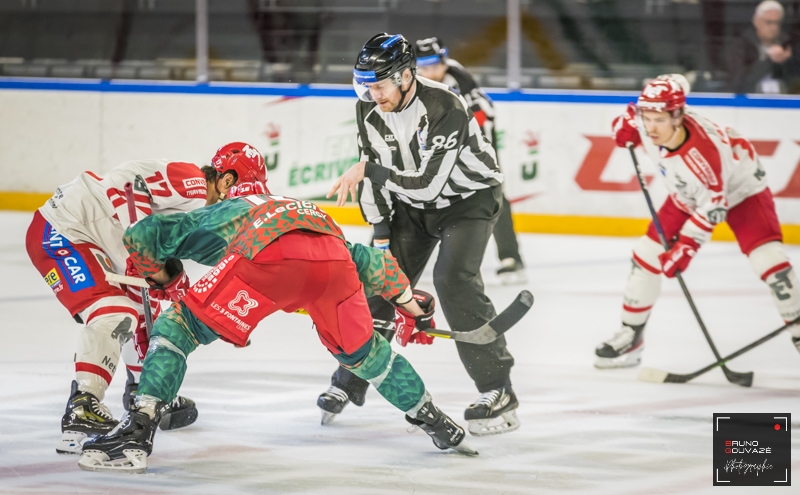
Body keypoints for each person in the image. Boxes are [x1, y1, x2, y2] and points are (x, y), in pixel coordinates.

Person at [76, 190, 476, 474]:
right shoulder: (299, 207)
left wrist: (162, 278)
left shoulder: (226, 211)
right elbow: (374, 262)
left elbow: (141, 236)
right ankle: (438, 423)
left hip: (264, 258)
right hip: (336, 263)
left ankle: (138, 429)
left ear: (230, 183)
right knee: (371, 357)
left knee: (175, 328)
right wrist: (411, 308)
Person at [324, 33, 519, 437]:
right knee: (379, 280)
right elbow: (374, 171)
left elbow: (428, 185)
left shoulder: (445, 105)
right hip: (413, 206)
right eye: (367, 85)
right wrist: (380, 233)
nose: (373, 95)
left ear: (406, 76)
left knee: (454, 281)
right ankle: (352, 379)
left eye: (379, 85)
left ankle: (498, 389)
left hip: (468, 201)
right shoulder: (369, 107)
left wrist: (372, 172)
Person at [25, 142, 265, 454]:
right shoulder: (193, 184)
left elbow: (147, 288)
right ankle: (83, 403)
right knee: (114, 313)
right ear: (227, 180)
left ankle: (135, 391)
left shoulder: (190, 215)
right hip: (63, 230)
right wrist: (144, 246)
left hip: (81, 238)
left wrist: (148, 392)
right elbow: (124, 183)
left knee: (141, 310)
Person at [595, 74, 800, 368]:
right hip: (688, 191)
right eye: (646, 118)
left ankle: (799, 333)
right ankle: (631, 335)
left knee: (771, 263)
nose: (650, 128)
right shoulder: (655, 114)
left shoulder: (703, 155)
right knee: (646, 255)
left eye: (659, 121)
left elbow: (714, 203)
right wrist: (626, 120)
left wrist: (686, 246)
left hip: (742, 190)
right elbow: (675, 81)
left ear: (678, 116)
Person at [414, 36, 527, 284]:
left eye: (434, 65)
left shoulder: (458, 78)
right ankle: (387, 258)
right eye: (422, 66)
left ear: (444, 61)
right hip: (434, 144)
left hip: (475, 146)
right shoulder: (413, 79)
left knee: (493, 195)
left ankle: (511, 258)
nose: (429, 71)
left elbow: (485, 113)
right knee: (406, 191)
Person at [726, 0, 799, 94]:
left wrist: (787, 61)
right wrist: (769, 61)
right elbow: (737, 83)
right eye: (769, 22)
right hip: (749, 103)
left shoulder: (789, 45)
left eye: (777, 23)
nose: (774, 27)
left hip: (784, 103)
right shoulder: (741, 46)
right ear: (756, 21)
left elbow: (795, 82)